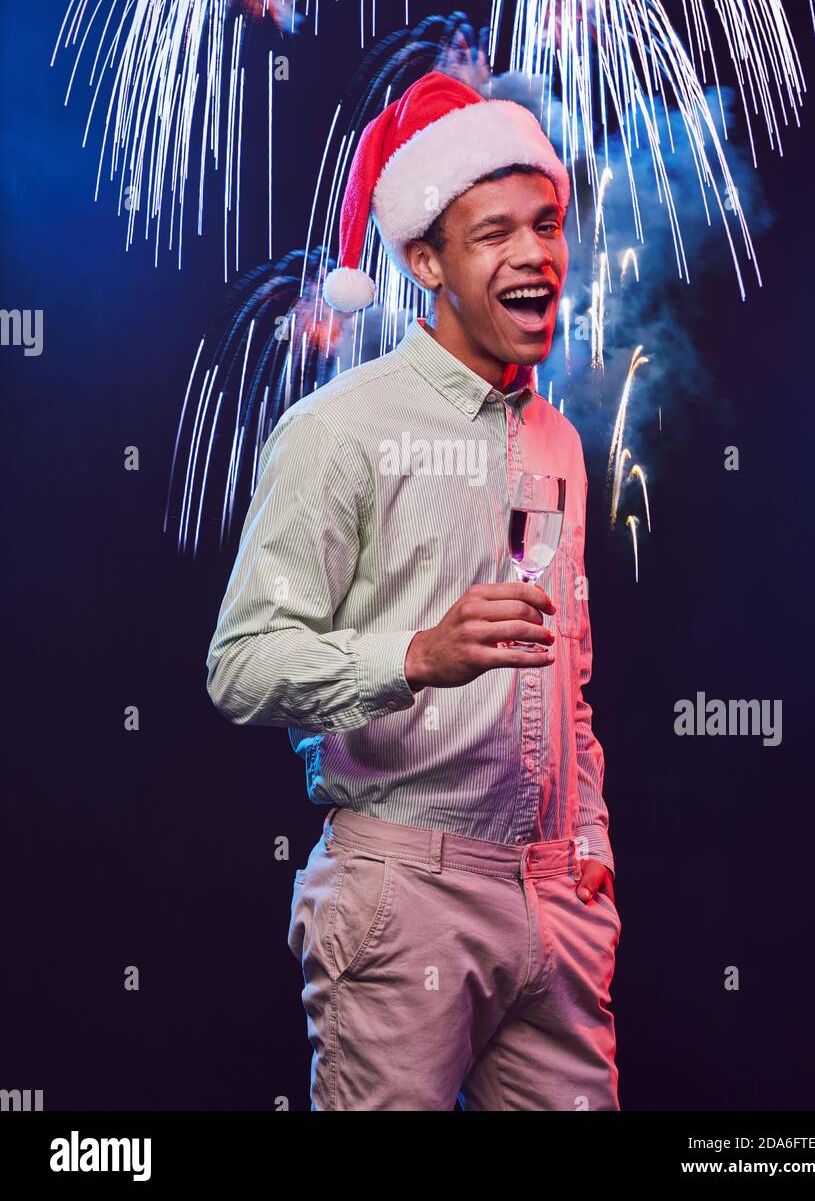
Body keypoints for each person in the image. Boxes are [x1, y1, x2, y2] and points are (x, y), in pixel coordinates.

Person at [206, 71, 621, 1111]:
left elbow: (565, 680)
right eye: (492, 235)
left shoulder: (557, 437)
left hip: (553, 904)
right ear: (423, 260)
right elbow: (240, 666)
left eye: (546, 224)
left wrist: (588, 853)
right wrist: (414, 656)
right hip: (404, 895)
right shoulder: (334, 429)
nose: (534, 255)